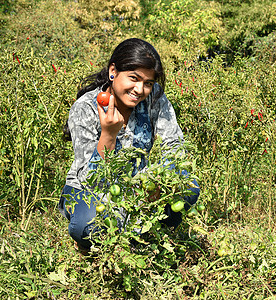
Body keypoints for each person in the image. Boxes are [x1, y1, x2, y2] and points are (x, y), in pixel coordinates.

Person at [58, 38, 200, 253]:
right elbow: (90, 179)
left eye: (148, 82)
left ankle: (143, 237)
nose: (140, 89)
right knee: (87, 226)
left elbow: (175, 144)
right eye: (134, 78)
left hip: (139, 187)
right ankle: (98, 240)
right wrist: (108, 134)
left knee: (188, 186)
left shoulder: (155, 98)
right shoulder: (85, 108)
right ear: (113, 71)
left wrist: (160, 181)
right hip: (90, 189)